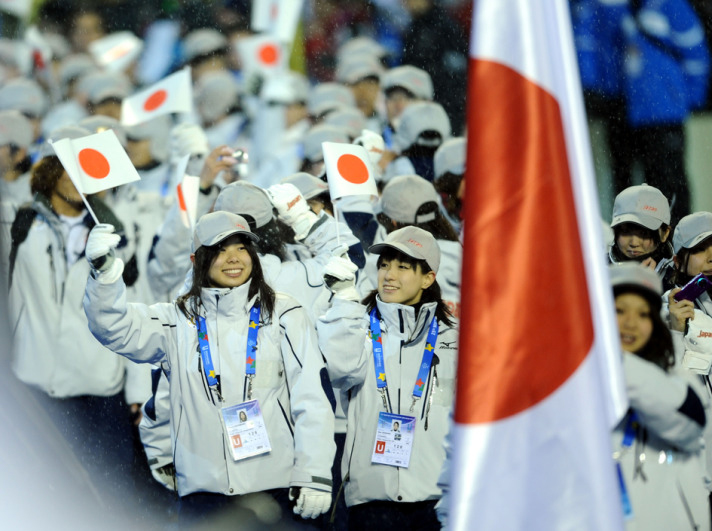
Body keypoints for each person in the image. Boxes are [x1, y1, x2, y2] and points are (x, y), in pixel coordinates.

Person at [83, 211, 336, 527]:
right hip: (204, 496)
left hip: (274, 490)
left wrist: (313, 475)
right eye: (219, 248)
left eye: (242, 247)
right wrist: (104, 275)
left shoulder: (285, 314)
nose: (234, 258)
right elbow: (113, 327)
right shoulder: (175, 321)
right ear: (196, 258)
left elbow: (312, 400)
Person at [317, 226, 458, 529]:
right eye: (384, 265)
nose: (389, 275)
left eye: (403, 267)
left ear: (428, 278)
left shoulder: (457, 340)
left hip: (437, 500)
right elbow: (341, 372)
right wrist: (343, 302)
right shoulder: (357, 327)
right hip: (371, 500)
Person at [609, 262, 709, 530]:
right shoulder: (581, 387)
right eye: (619, 310)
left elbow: (689, 422)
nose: (631, 322)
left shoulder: (676, 376)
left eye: (643, 314)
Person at [608, 184, 674, 282]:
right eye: (625, 232)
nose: (634, 243)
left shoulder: (680, 277)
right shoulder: (595, 271)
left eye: (644, 233)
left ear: (665, 233)